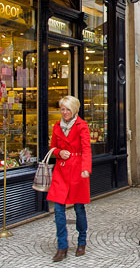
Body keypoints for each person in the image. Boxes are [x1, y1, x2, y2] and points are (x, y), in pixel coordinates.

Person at [47, 96, 92, 262]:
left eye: (67, 109)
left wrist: (86, 169)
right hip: (61, 171)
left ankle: (81, 241)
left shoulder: (82, 126)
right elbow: (52, 148)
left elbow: (86, 149)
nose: (64, 112)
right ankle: (62, 246)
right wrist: (59, 152)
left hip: (78, 170)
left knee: (79, 208)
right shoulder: (57, 126)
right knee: (58, 210)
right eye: (62, 109)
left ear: (74, 110)